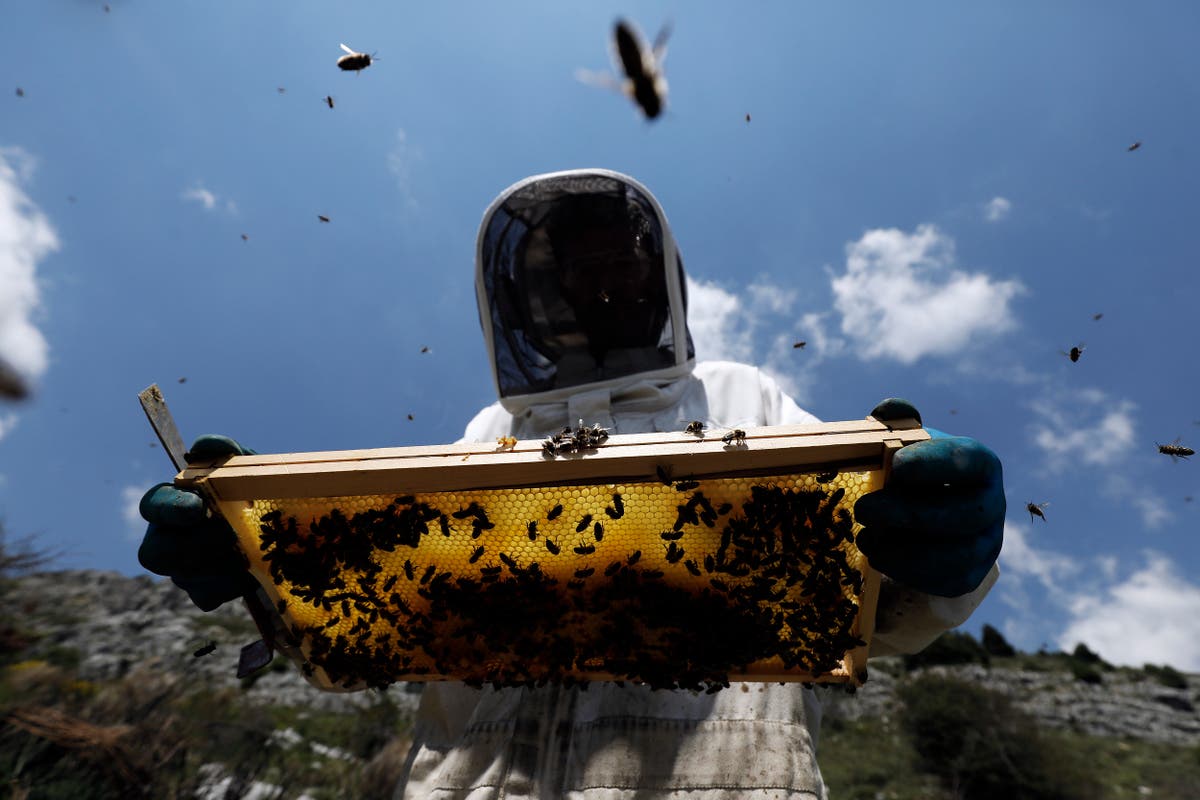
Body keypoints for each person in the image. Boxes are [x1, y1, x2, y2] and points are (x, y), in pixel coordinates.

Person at [140, 168, 1004, 799]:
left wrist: (939, 559)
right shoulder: (491, 435)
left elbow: (877, 600)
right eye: (572, 267)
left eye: (617, 259)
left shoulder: (747, 398)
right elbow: (373, 624)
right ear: (534, 292)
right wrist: (265, 567)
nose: (600, 281)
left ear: (655, 276)